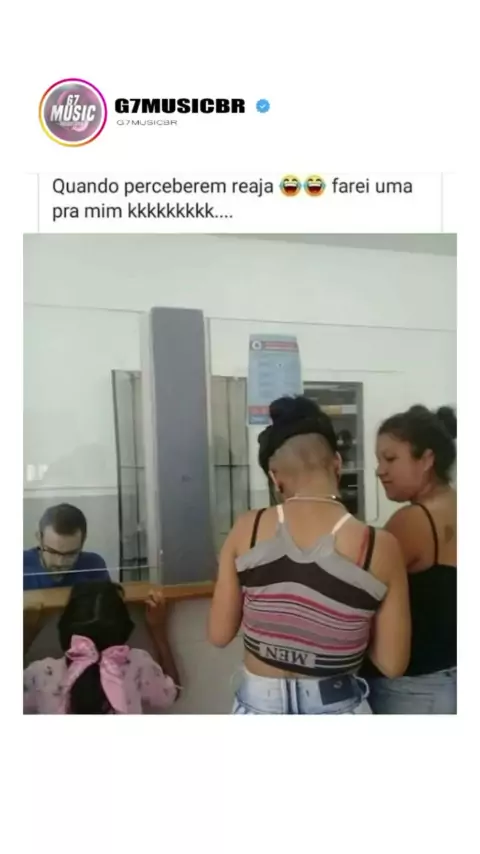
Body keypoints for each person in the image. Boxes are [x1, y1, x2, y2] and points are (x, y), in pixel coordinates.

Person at [208, 395, 411, 715]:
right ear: (337, 464)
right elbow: (392, 663)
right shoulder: (378, 545)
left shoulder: (248, 528)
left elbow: (219, 634)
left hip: (258, 705)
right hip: (338, 704)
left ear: (275, 477)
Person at [366, 404, 457, 714]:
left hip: (411, 689)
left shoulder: (413, 521)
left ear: (427, 459)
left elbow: (357, 593)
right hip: (447, 677)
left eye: (390, 459)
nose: (380, 470)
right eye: (379, 460)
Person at [23, 581, 181, 714]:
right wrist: (158, 629)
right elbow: (172, 693)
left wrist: (26, 632)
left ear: (65, 627)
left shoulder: (41, 674)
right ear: (124, 627)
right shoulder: (138, 665)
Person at [23, 504, 109, 590]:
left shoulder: (94, 566)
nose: (60, 563)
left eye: (71, 554)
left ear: (83, 541)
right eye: (53, 552)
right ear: (39, 538)